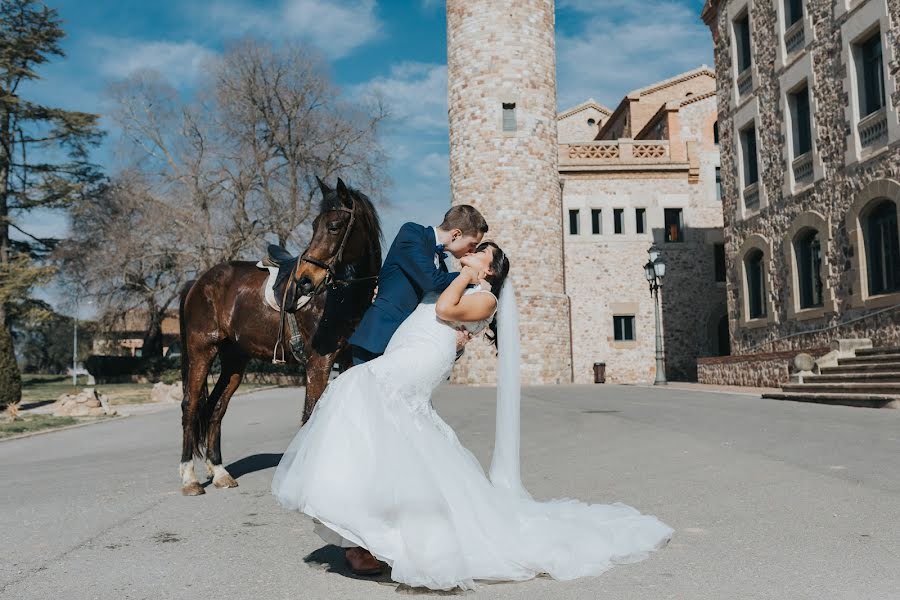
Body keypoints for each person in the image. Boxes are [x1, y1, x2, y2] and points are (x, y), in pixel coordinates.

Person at [272, 241, 673, 591]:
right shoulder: (461, 282)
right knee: (385, 435)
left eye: (483, 253)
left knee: (361, 392)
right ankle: (366, 533)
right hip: (411, 356)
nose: (474, 254)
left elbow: (446, 308)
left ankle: (373, 540)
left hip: (417, 365)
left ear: (491, 270)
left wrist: (463, 276)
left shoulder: (486, 297)